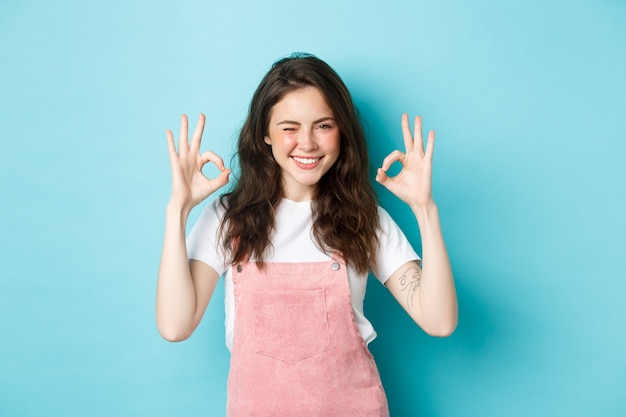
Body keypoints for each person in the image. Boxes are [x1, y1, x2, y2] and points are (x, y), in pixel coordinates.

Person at [156, 53, 457, 417]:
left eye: (323, 125)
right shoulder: (228, 219)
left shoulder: (365, 219)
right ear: (264, 134)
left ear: (342, 130)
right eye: (289, 128)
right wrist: (178, 210)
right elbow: (175, 325)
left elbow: (439, 321)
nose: (308, 143)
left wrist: (425, 210)